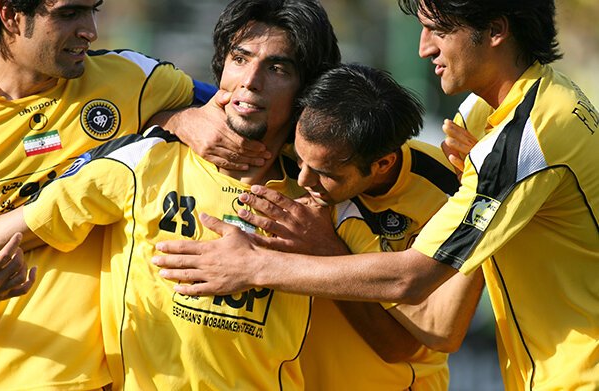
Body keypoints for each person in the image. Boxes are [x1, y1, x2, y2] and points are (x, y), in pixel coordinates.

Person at [153, 0, 599, 389]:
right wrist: (181, 117)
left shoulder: (527, 135)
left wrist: (257, 265)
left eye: (439, 30)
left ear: (497, 31)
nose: (424, 48)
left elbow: (417, 287)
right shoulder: (486, 116)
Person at [0, 0, 341, 388]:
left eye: (94, 9)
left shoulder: (133, 78)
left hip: (96, 380)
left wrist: (180, 118)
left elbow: (247, 108)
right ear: (10, 15)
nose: (90, 29)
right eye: (69, 13)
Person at [227, 63, 483, 390]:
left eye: (326, 173)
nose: (303, 179)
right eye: (300, 160)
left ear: (382, 164)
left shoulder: (451, 194)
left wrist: (326, 251)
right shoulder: (290, 146)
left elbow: (416, 339)